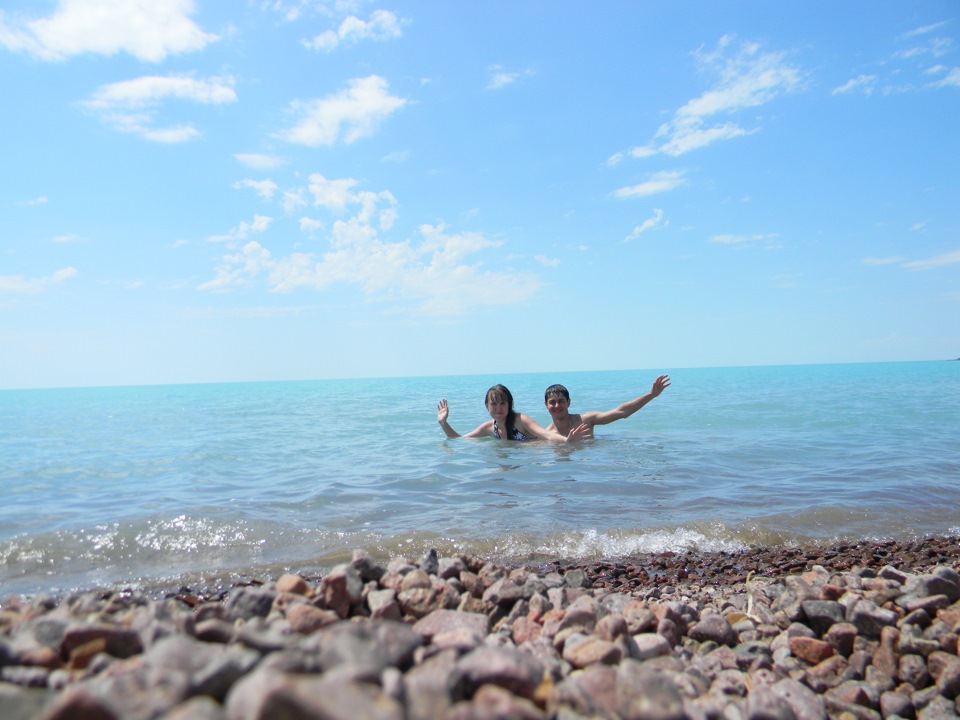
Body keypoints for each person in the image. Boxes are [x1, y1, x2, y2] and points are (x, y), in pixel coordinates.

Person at [437, 384, 589, 442]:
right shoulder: (488, 428)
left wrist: (566, 441)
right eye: (494, 404)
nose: (499, 408)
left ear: (510, 405)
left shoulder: (520, 420)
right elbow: (459, 440)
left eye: (503, 403)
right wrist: (444, 423)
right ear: (487, 406)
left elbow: (547, 435)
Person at [543, 374, 671, 438]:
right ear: (546, 405)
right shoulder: (547, 434)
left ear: (568, 402)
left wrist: (651, 395)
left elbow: (622, 412)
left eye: (561, 401)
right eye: (552, 402)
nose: (557, 406)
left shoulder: (585, 420)